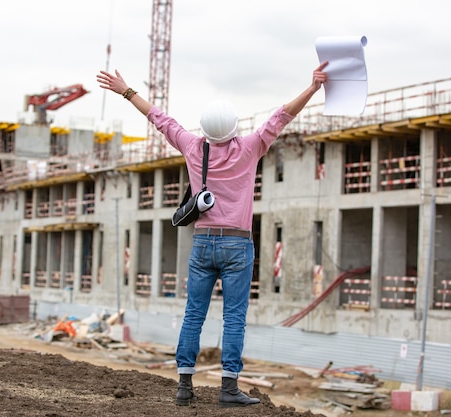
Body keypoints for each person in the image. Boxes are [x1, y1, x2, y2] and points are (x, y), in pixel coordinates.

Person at [96, 61, 328, 407]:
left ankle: (184, 386)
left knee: (194, 314)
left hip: (203, 242)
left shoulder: (193, 147)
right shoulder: (251, 147)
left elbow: (160, 120)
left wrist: (126, 91)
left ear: (204, 130)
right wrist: (312, 88)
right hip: (237, 244)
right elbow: (281, 116)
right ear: (235, 128)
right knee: (233, 317)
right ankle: (229, 388)